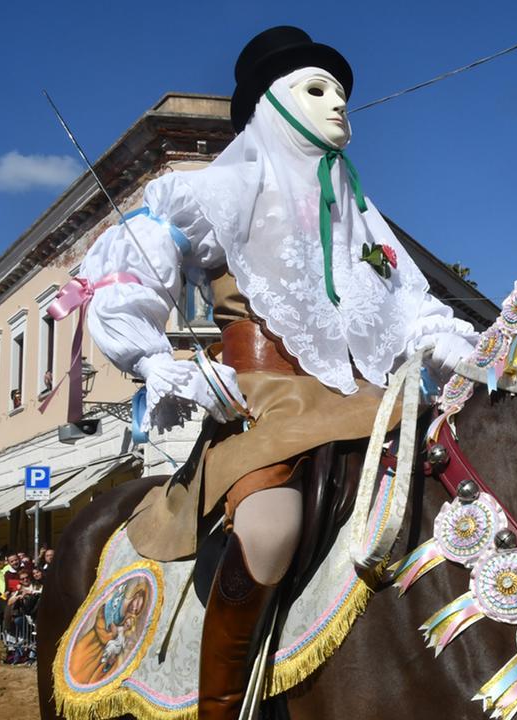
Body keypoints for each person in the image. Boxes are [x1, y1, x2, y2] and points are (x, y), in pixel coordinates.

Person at [69, 26, 477, 718]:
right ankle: (223, 706)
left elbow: (415, 306)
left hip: (379, 399)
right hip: (268, 400)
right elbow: (128, 271)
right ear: (272, 105)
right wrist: (159, 362)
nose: (340, 105)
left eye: (343, 93)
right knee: (268, 530)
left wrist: (466, 353)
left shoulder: (364, 219)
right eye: (317, 91)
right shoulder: (212, 191)